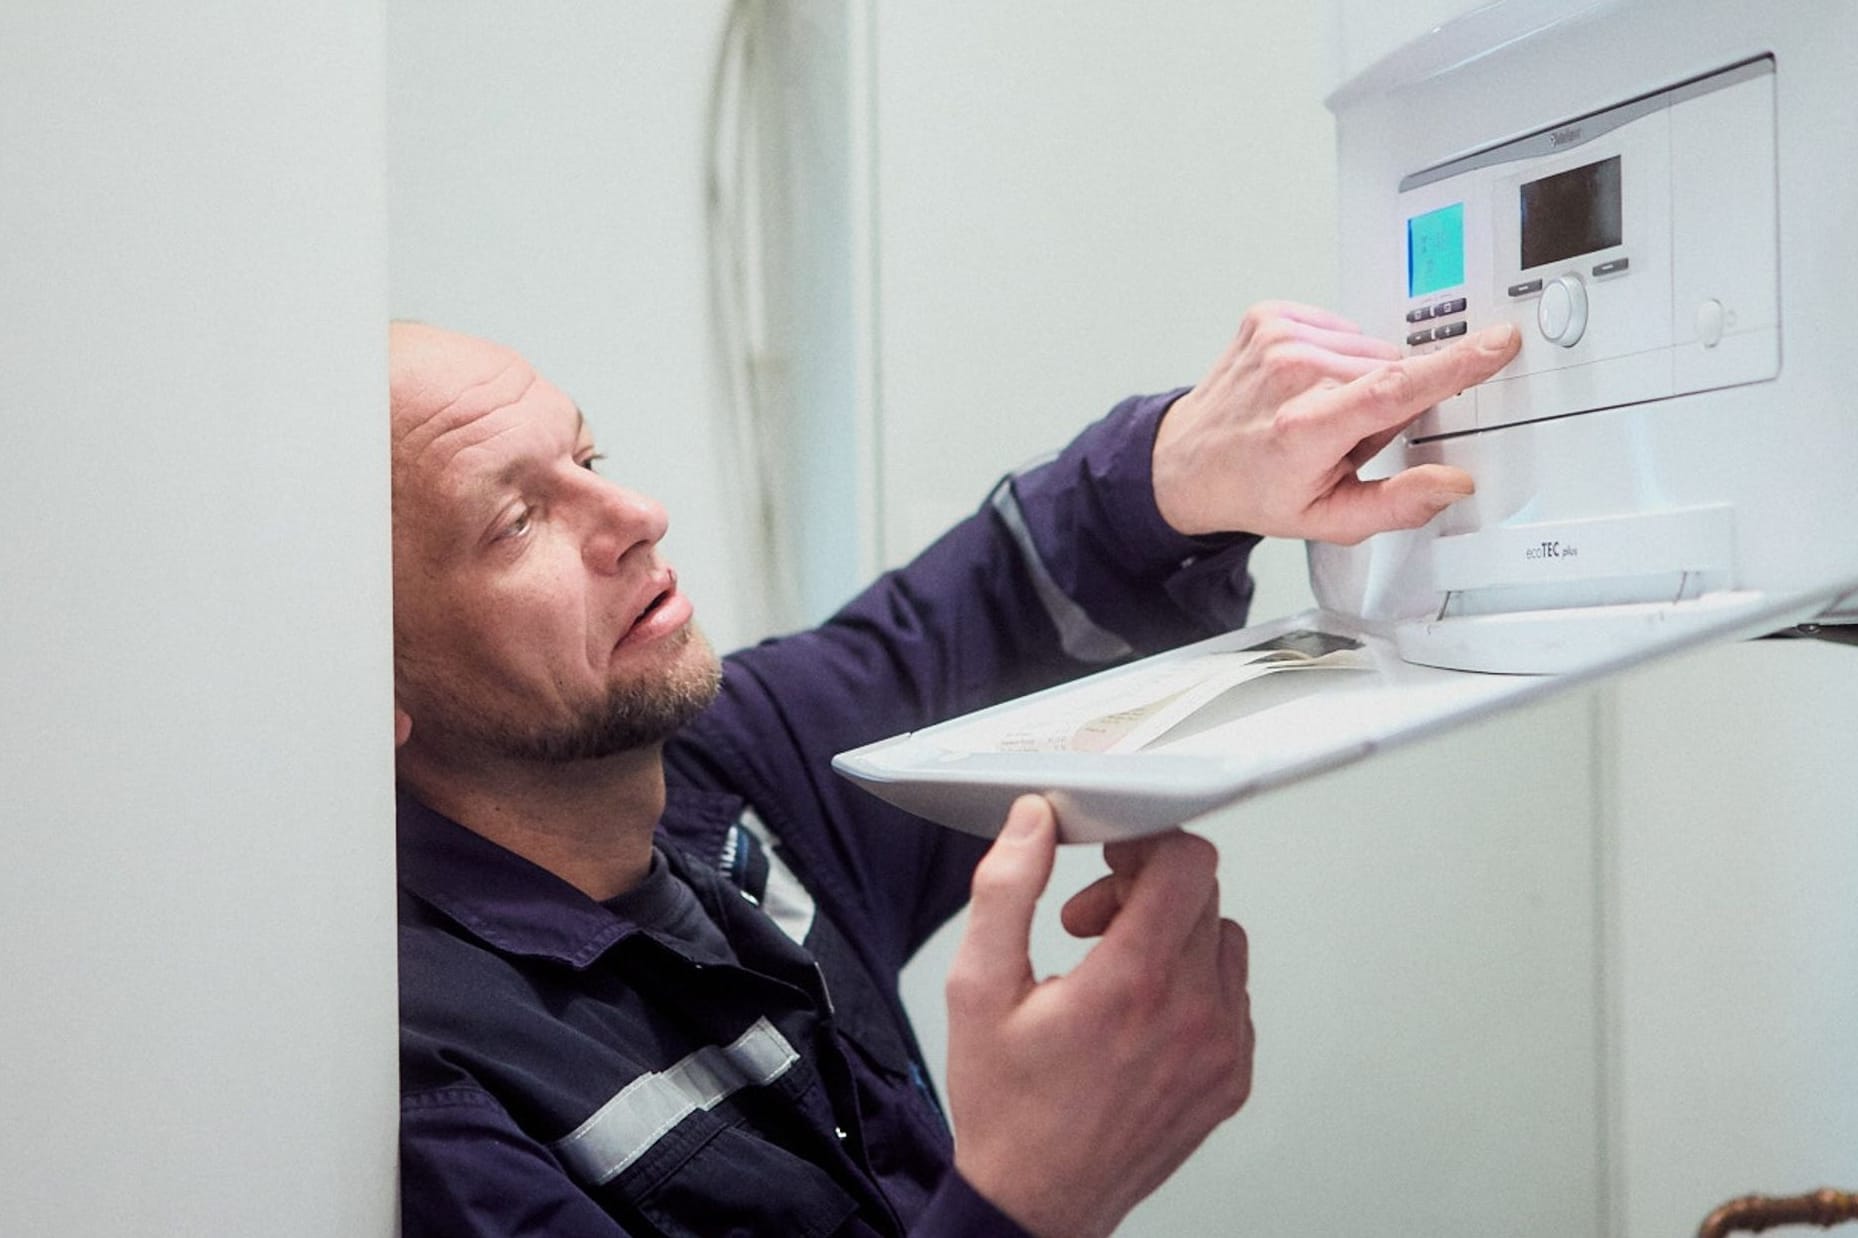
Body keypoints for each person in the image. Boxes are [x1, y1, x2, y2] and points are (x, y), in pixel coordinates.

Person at [391, 306, 1522, 1237]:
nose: (636, 516)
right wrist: (1028, 1202)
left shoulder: (718, 782)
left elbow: (973, 623)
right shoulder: (421, 1095)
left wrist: (1184, 469)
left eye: (590, 458)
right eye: (518, 521)